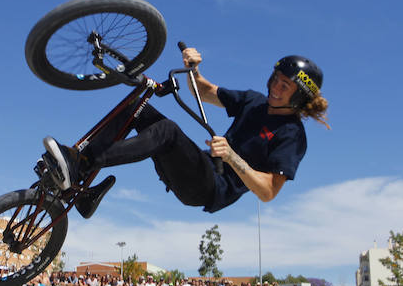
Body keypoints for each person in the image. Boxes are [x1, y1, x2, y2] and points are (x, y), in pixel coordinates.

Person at [40, 49, 328, 215]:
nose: (275, 88)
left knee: (167, 131)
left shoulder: (292, 135)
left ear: (299, 96)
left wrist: (232, 158)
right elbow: (205, 91)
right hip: (196, 166)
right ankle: (82, 189)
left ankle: (83, 161)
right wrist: (193, 69)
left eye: (285, 86)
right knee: (137, 107)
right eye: (275, 79)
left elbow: (268, 192)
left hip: (209, 187)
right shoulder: (254, 102)